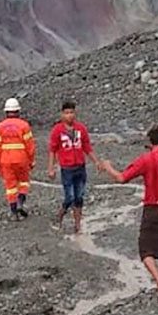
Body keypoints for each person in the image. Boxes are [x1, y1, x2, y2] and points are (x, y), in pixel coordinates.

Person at [102, 125, 158, 298]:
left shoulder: (146, 159)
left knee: (145, 248)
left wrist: (108, 167)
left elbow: (122, 178)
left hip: (152, 207)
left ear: (150, 142)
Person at [48, 99, 101, 233]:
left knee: (79, 196)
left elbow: (87, 147)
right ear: (62, 114)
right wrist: (51, 168)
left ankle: (77, 224)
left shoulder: (81, 128)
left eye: (72, 112)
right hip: (67, 168)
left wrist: (96, 161)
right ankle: (61, 213)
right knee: (69, 197)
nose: (69, 115)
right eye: (66, 113)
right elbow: (52, 150)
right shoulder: (57, 130)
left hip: (80, 167)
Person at [0, 98, 35, 219]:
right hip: (22, 158)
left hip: (5, 159)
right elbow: (30, 145)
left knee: (10, 186)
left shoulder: (0, 127)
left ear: (6, 112)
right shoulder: (24, 125)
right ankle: (21, 203)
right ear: (18, 111)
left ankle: (13, 211)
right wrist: (31, 160)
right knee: (23, 182)